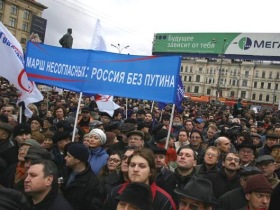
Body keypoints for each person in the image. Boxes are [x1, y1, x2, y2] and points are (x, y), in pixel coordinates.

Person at [103, 148, 176, 210]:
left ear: (151, 171)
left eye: (142, 166)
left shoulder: (164, 201)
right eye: (132, 165)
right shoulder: (115, 192)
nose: (135, 169)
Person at [60, 143, 102, 210]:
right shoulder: (65, 170)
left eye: (68, 156)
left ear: (77, 160)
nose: (65, 158)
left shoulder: (92, 183)